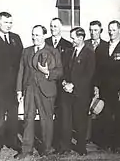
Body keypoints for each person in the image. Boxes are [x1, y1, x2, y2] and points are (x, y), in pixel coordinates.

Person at [15, 25, 63, 159]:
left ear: (44, 36)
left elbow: (60, 72)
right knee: (28, 119)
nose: (34, 37)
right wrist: (19, 90)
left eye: (37, 35)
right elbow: (21, 71)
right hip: (29, 90)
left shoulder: (53, 51)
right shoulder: (26, 51)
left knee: (46, 120)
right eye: (33, 35)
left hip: (46, 91)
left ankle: (47, 149)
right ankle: (26, 150)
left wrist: (48, 72)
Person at [57, 27, 95, 156]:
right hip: (66, 93)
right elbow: (63, 71)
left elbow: (88, 75)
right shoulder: (68, 52)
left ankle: (81, 147)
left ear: (81, 38)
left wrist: (73, 85)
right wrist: (63, 82)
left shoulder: (89, 54)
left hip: (80, 93)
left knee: (80, 121)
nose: (71, 40)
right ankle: (65, 146)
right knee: (65, 121)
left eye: (73, 38)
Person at [97, 20, 120, 152]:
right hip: (105, 88)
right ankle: (106, 143)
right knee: (106, 116)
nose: (111, 32)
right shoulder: (102, 48)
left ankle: (118, 144)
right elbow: (98, 69)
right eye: (110, 29)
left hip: (118, 89)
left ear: (119, 30)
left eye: (114, 29)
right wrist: (96, 86)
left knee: (119, 117)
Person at [0, 12, 23, 153]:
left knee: (13, 116)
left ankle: (13, 141)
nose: (9, 25)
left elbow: (21, 62)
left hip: (14, 86)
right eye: (5, 22)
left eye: (10, 22)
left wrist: (20, 86)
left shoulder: (16, 38)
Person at [45, 17, 72, 149]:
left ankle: (62, 144)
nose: (53, 29)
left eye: (55, 26)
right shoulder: (45, 43)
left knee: (62, 115)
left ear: (61, 28)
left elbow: (68, 66)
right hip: (48, 84)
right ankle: (49, 141)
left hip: (61, 85)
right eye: (51, 26)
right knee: (48, 113)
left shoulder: (67, 45)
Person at [84, 20, 109, 144]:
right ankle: (87, 136)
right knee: (86, 109)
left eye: (96, 30)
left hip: (101, 82)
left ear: (101, 31)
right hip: (86, 82)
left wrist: (98, 84)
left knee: (100, 108)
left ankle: (99, 136)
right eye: (91, 30)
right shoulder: (85, 44)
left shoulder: (106, 45)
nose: (93, 33)